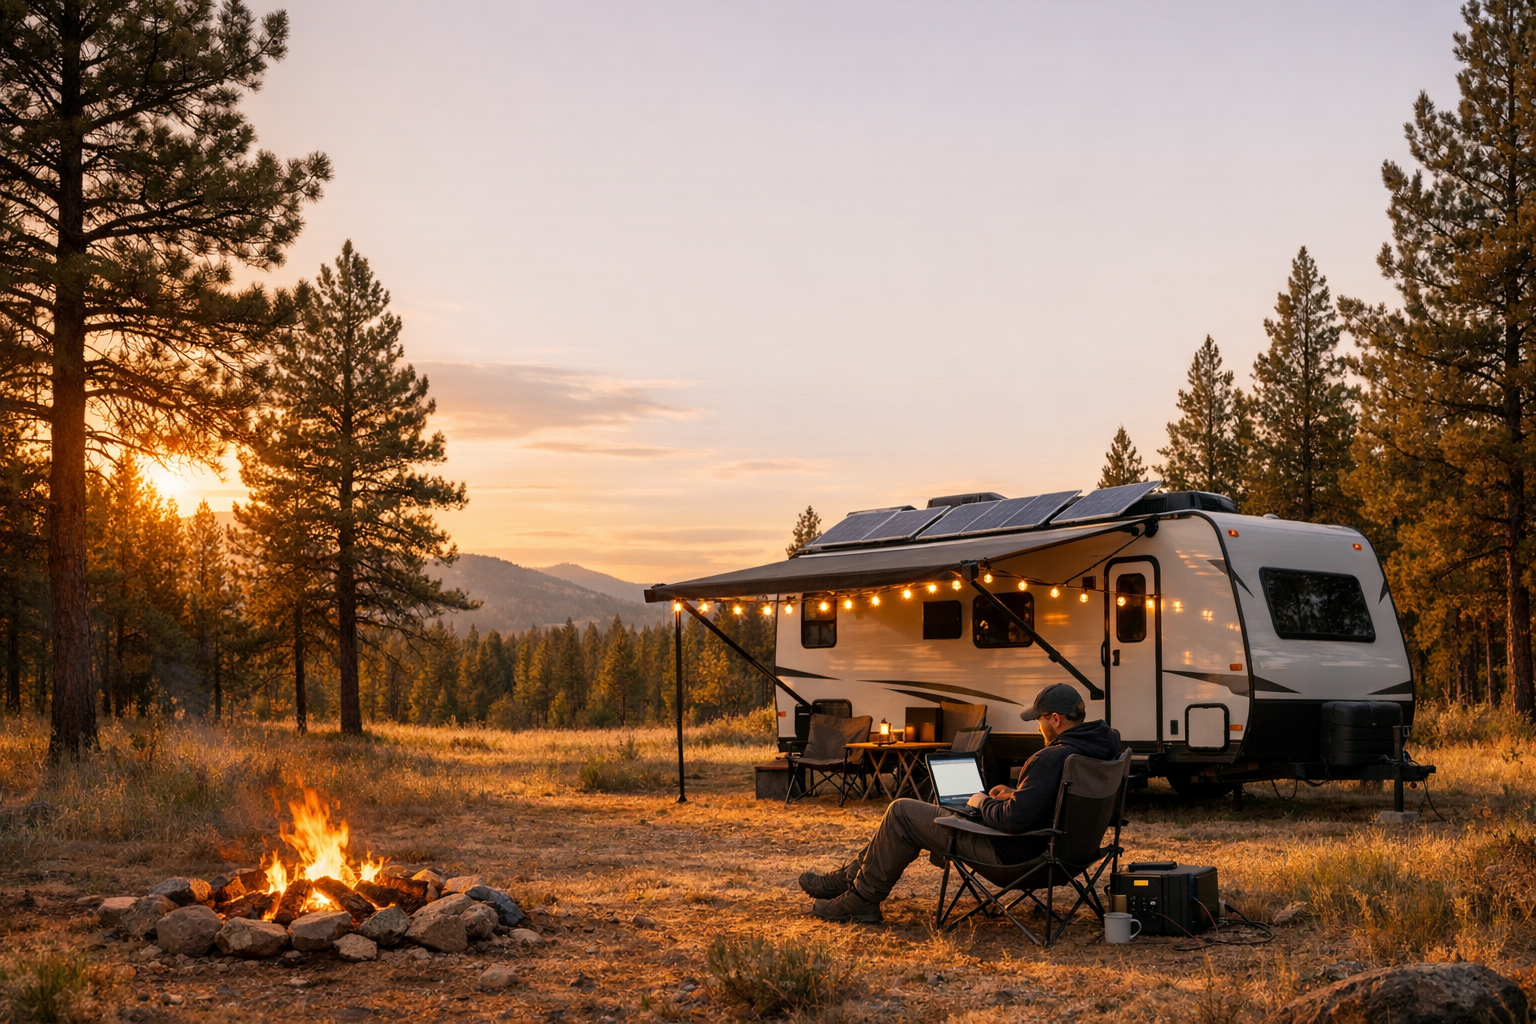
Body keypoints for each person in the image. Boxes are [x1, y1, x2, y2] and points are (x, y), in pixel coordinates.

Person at [799, 682, 1122, 923]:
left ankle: (861, 898)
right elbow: (1057, 806)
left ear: (1056, 719)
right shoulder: (1098, 753)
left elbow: (1013, 821)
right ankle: (846, 881)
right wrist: (1016, 794)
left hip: (1014, 858)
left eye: (1039, 719)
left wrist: (982, 803)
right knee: (927, 812)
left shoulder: (1051, 757)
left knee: (901, 812)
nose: (1037, 726)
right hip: (1068, 858)